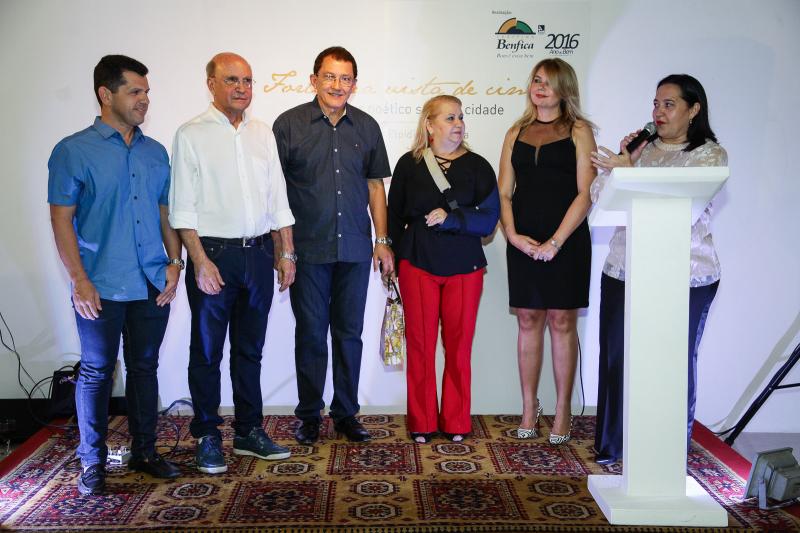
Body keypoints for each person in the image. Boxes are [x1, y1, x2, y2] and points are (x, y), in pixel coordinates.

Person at [48, 55, 182, 495]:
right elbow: (61, 219)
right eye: (135, 91)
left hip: (150, 282)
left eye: (147, 92)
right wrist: (79, 280)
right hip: (99, 284)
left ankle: (145, 452)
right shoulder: (73, 151)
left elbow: (165, 214)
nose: (145, 100)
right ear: (106, 95)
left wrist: (175, 263)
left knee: (145, 368)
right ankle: (92, 461)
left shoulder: (155, 152)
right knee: (96, 371)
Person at [589, 74, 727, 465]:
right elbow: (600, 197)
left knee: (673, 362)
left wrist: (627, 172)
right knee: (617, 356)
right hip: (625, 269)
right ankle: (614, 445)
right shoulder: (640, 150)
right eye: (655, 104)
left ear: (693, 109)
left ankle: (667, 450)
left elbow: (676, 200)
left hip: (685, 276)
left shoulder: (709, 155)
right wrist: (623, 165)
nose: (658, 112)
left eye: (669, 104)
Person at [169, 52, 296, 473]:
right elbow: (182, 208)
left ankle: (248, 432)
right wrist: (199, 261)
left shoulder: (262, 133)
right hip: (214, 256)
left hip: (258, 255)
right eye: (231, 80)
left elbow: (277, 199)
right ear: (211, 84)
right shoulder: (191, 134)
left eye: (247, 81)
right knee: (207, 351)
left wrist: (286, 252)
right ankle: (207, 435)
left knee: (249, 351)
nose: (242, 88)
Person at [272, 46, 393, 445]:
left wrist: (382, 240)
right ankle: (309, 415)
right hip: (307, 250)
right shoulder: (288, 125)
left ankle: (346, 414)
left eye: (345, 78)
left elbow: (375, 187)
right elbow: (275, 193)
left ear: (354, 84)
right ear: (314, 80)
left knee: (349, 334)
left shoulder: (367, 127)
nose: (337, 85)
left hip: (356, 249)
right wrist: (284, 250)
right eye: (329, 76)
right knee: (310, 334)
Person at [388, 95, 499, 443]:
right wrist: (391, 255)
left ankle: (456, 422)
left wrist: (453, 218)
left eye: (460, 117)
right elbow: (394, 215)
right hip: (417, 264)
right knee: (420, 346)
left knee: (459, 347)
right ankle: (421, 422)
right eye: (449, 118)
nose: (458, 124)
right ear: (429, 125)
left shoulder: (479, 166)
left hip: (465, 267)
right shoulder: (409, 164)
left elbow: (489, 220)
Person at [498, 58, 597, 445]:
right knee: (527, 319)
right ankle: (529, 407)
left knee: (561, 321)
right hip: (523, 240)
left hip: (567, 240)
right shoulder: (515, 132)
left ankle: (563, 409)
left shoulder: (579, 131)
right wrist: (513, 235)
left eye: (549, 82)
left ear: (564, 89)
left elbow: (586, 193)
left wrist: (556, 241)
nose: (540, 87)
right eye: (536, 80)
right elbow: (504, 193)